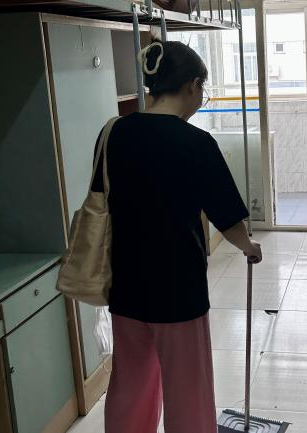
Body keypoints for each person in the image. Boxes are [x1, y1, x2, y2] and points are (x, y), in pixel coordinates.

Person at [92, 40, 262, 433]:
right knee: (187, 388)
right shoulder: (195, 142)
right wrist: (249, 247)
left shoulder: (114, 132)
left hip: (126, 284)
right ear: (192, 85)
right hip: (178, 289)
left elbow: (101, 197)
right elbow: (227, 217)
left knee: (131, 385)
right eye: (203, 89)